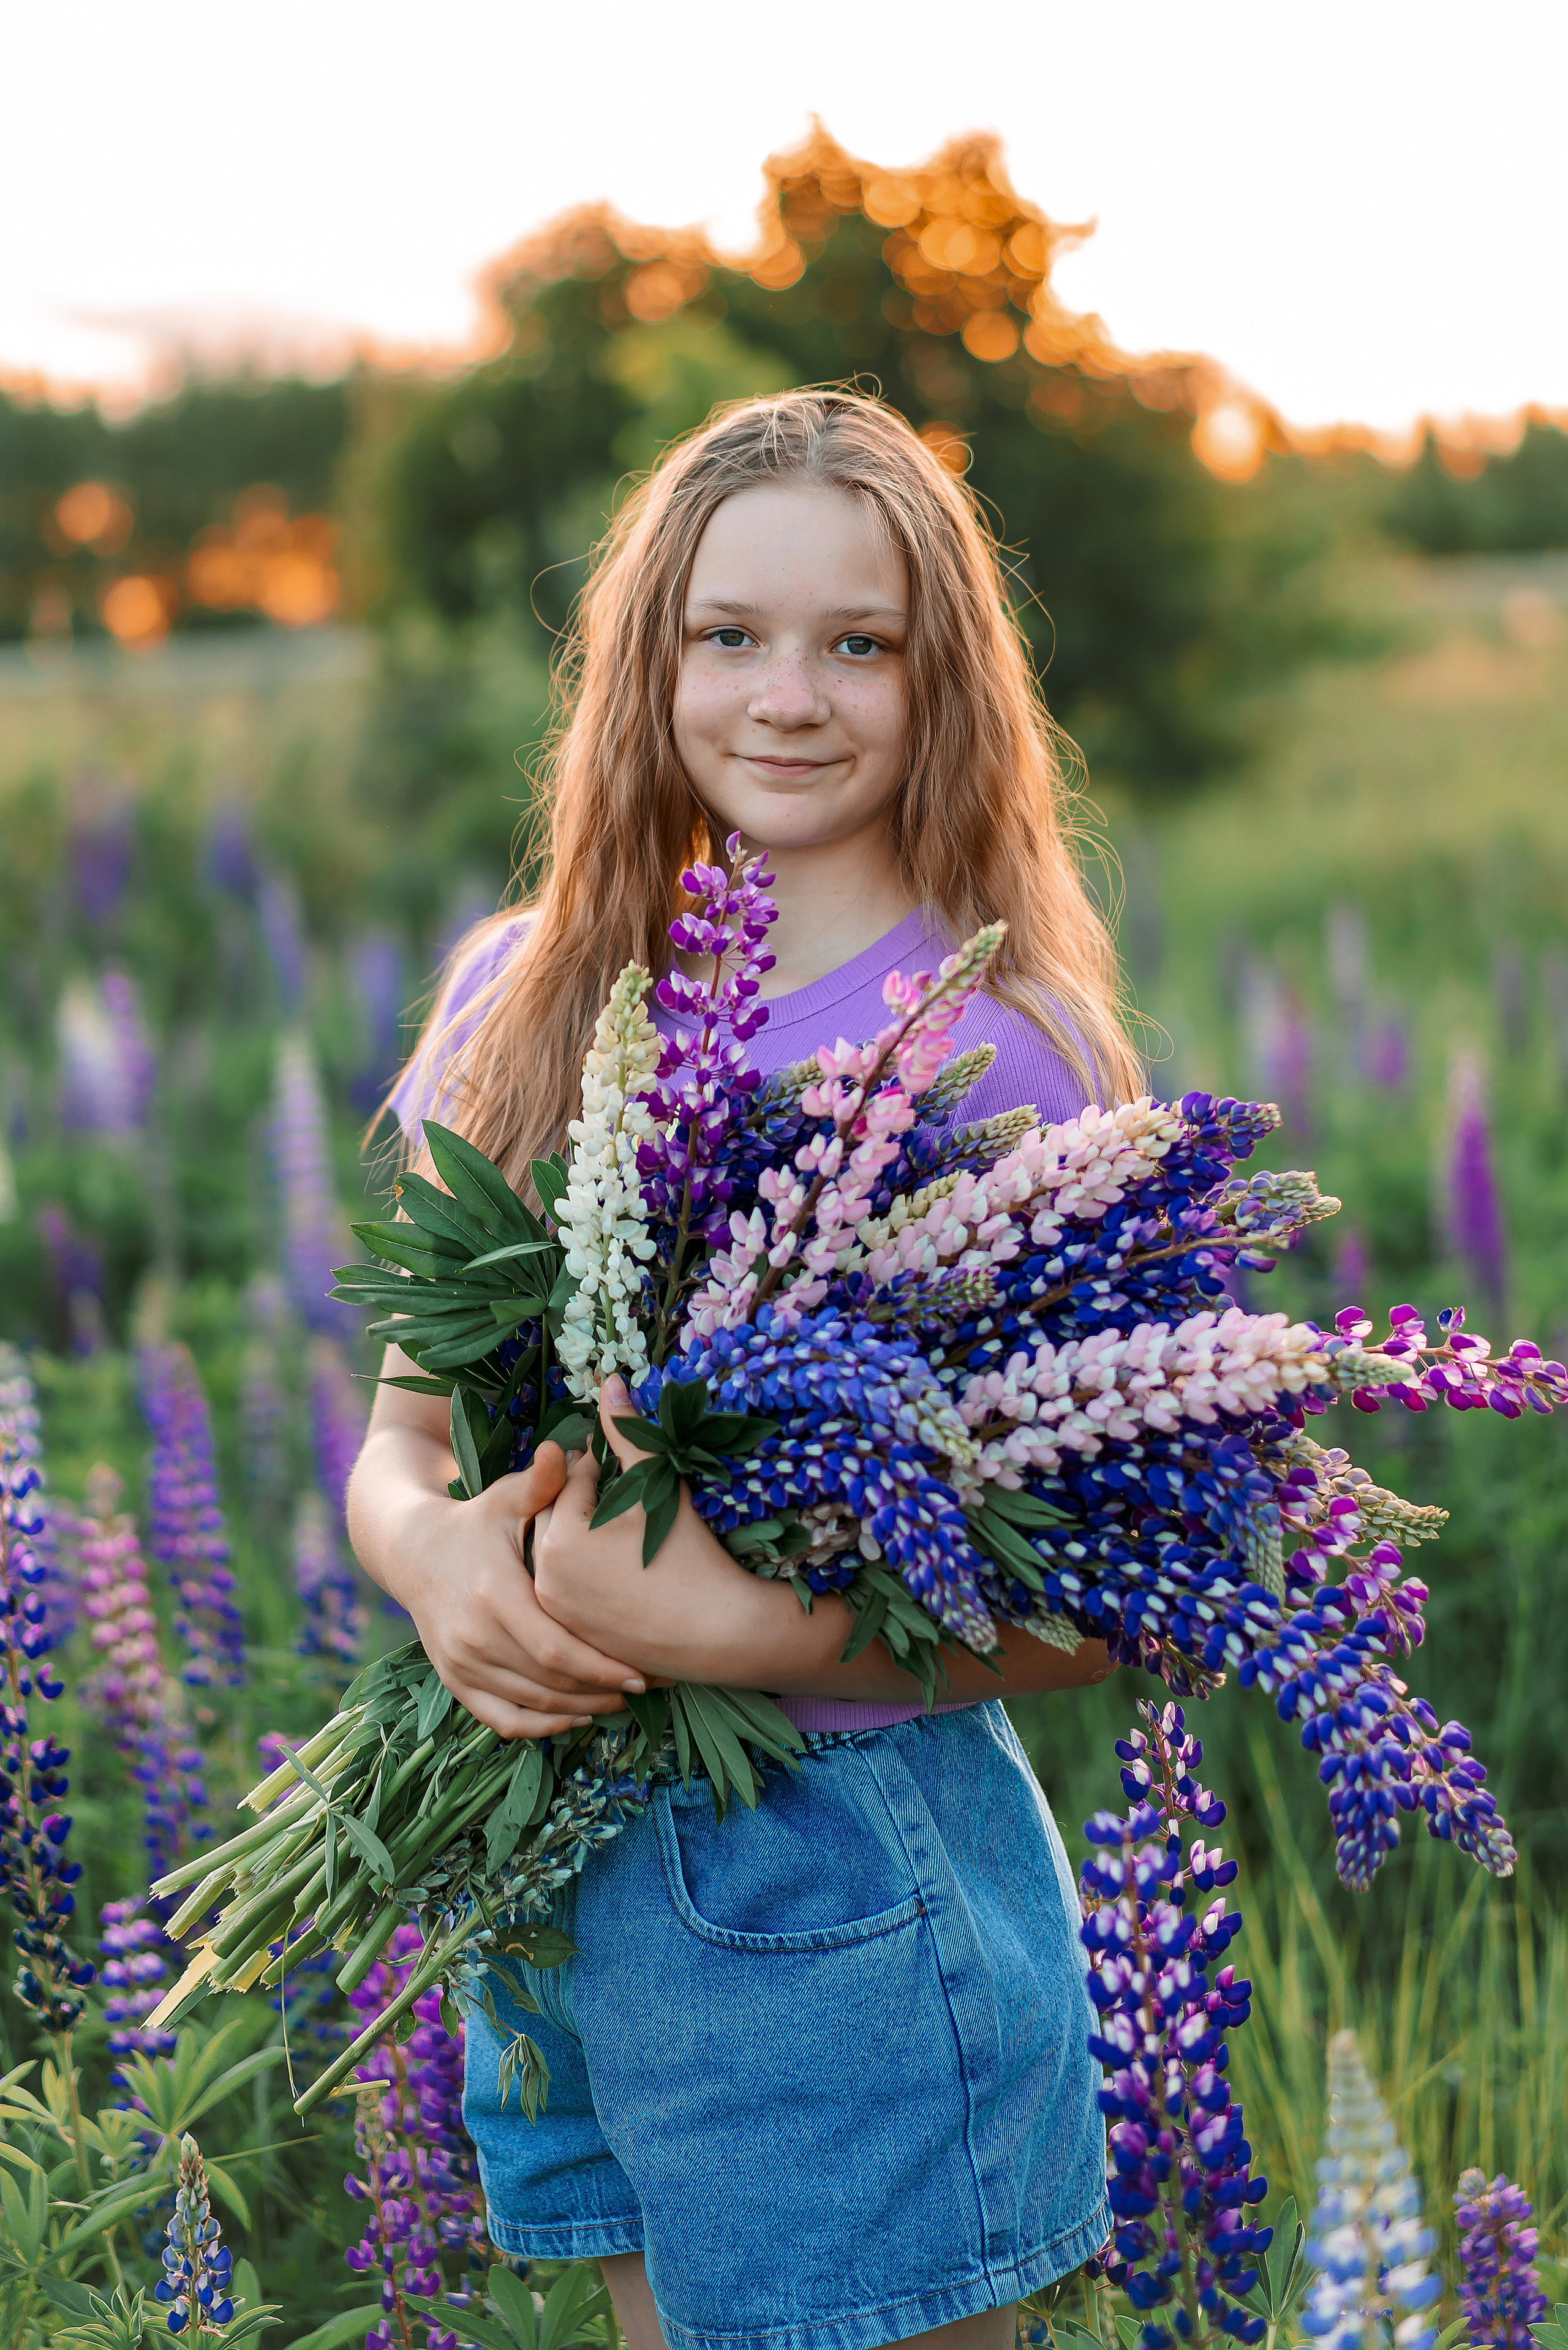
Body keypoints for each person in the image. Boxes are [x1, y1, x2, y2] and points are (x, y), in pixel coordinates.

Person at [347, 389, 1144, 2350]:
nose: (790, 696)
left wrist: (740, 1627)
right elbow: (403, 1434)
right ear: (651, 662)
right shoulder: (524, 989)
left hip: (846, 1888)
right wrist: (437, 1561)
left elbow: (1111, 1606)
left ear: (938, 678)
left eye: (858, 642)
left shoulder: (994, 1049)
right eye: (732, 636)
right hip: (543, 1871)